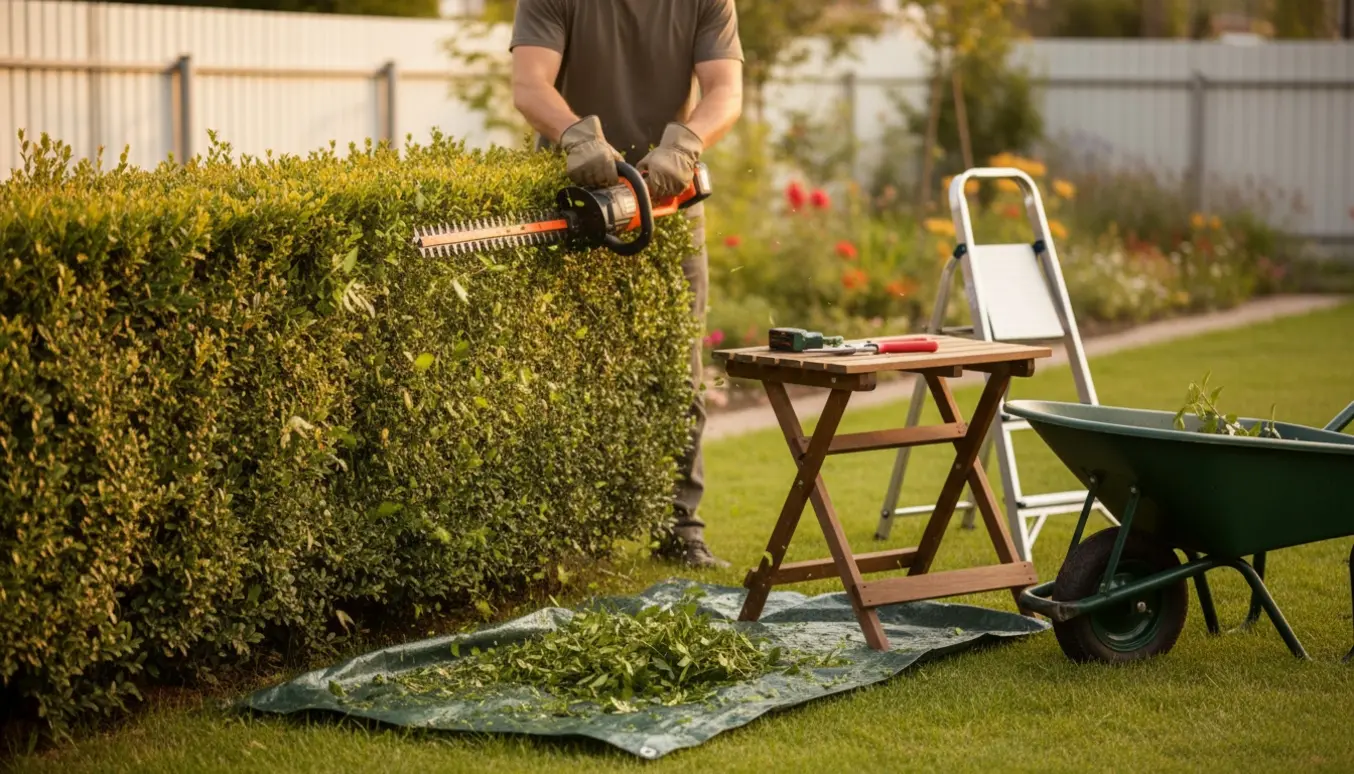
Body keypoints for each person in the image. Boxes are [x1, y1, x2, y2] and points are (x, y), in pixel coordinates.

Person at [508, 0, 744, 568]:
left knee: (677, 369)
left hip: (668, 201)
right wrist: (574, 134)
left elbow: (725, 90)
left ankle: (680, 529)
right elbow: (529, 83)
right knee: (563, 368)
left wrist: (685, 143)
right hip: (575, 199)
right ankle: (562, 533)